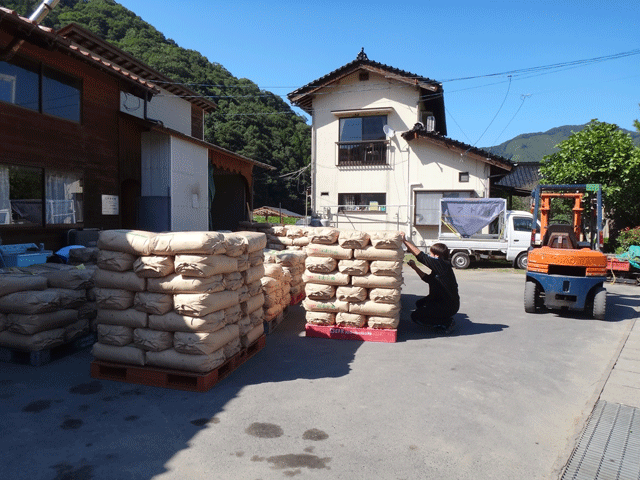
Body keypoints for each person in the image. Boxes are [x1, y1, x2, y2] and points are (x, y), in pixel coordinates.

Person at [401, 233, 460, 334]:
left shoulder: (442, 265)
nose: (429, 256)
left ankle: (446, 323)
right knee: (419, 304)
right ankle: (440, 316)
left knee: (416, 316)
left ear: (437, 256)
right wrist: (415, 267)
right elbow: (427, 279)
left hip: (448, 305)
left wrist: (405, 241)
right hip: (442, 301)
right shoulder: (440, 267)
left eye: (430, 254)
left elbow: (421, 257)